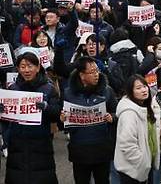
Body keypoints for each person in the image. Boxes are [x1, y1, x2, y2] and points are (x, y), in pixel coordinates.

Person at [4, 51, 62, 184]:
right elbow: (5, 120)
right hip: (17, 144)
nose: (26, 70)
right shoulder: (12, 90)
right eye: (23, 66)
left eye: (30, 66)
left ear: (38, 67)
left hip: (41, 143)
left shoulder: (49, 89)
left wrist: (47, 108)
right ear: (18, 69)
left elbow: (58, 115)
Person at [61, 56, 118, 184]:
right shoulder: (68, 94)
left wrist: (112, 117)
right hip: (79, 149)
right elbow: (63, 123)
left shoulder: (107, 91)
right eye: (92, 72)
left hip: (102, 148)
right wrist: (62, 119)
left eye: (97, 71)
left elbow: (117, 113)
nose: (96, 75)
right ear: (82, 75)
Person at [115, 75, 160, 184]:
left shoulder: (146, 107)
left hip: (146, 167)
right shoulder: (129, 113)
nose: (144, 90)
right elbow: (127, 143)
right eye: (138, 88)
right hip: (133, 170)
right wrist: (141, 163)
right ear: (131, 92)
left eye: (144, 86)